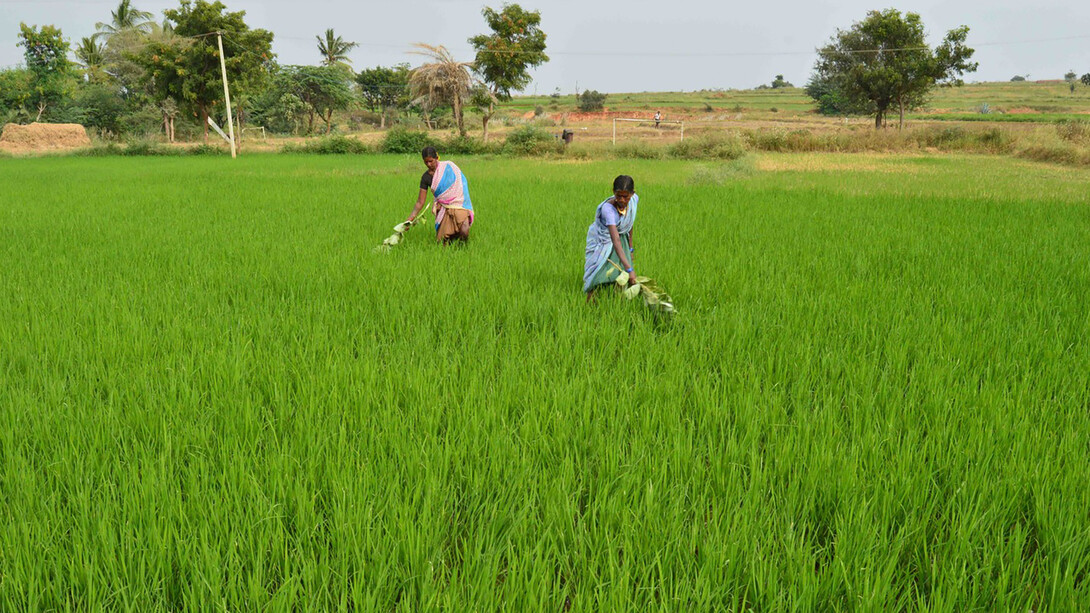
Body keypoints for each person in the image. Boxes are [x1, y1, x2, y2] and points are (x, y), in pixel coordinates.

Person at [584, 175, 638, 302]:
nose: (622, 200)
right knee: (598, 273)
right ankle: (589, 303)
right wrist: (630, 269)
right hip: (603, 240)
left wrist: (630, 248)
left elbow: (629, 223)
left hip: (621, 239)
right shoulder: (608, 209)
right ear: (613, 192)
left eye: (626, 196)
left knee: (621, 275)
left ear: (632, 194)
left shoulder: (634, 200)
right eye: (618, 195)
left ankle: (616, 303)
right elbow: (615, 239)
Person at [406, 146, 474, 244]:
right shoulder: (426, 178)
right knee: (443, 241)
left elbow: (461, 183)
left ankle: (463, 250)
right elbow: (420, 202)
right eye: (426, 162)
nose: (428, 164)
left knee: (464, 231)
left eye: (431, 161)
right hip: (443, 208)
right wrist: (410, 219)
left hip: (459, 205)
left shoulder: (449, 167)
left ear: (437, 158)